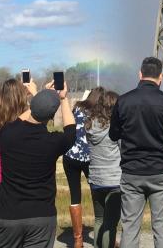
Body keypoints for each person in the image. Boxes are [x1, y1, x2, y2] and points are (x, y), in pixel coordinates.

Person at [110, 56, 163, 248]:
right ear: (161, 77)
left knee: (130, 227)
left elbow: (113, 134)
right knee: (162, 228)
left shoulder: (124, 101)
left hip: (132, 172)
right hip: (161, 171)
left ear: (140, 74)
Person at [0, 84, 77, 248]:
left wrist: (39, 97)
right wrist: (63, 98)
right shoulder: (53, 142)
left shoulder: (7, 134)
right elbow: (71, 131)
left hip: (10, 215)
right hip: (42, 216)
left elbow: (23, 118)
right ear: (51, 117)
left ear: (31, 106)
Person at [0, 79, 32, 241]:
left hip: (0, 176)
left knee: (1, 223)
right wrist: (31, 96)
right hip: (22, 178)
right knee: (24, 225)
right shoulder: (27, 120)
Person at [63, 87, 99, 248]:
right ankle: (103, 236)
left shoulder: (77, 107)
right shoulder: (99, 113)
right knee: (97, 192)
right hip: (89, 157)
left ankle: (78, 239)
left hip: (70, 155)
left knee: (75, 195)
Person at [86, 88, 122, 248]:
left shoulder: (91, 126)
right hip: (114, 180)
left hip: (95, 179)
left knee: (99, 220)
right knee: (110, 223)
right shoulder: (115, 128)